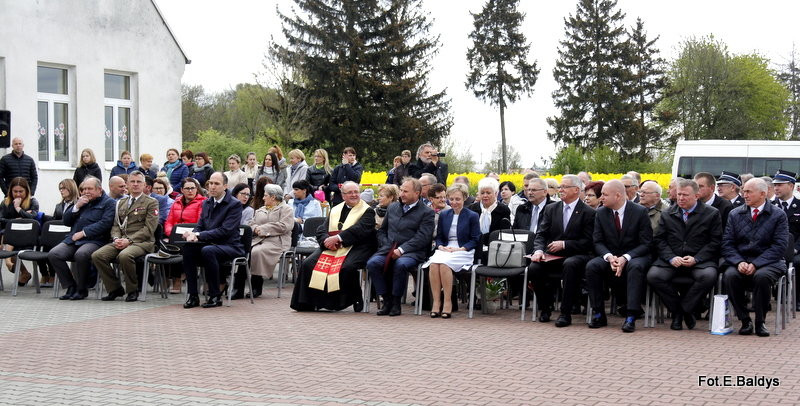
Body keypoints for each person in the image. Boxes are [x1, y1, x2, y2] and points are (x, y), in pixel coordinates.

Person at [647, 179, 722, 331]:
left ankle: (682, 311)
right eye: (679, 194)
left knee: (708, 276)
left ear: (697, 196)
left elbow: (715, 242)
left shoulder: (711, 214)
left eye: (685, 195)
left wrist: (697, 258)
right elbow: (659, 240)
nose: (681, 198)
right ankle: (679, 312)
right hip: (672, 259)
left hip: (700, 260)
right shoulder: (668, 213)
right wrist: (671, 257)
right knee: (654, 276)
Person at [291, 181, 376, 311]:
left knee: (345, 267)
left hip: (357, 246)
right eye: (350, 192)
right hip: (331, 247)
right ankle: (309, 303)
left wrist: (338, 238)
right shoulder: (336, 209)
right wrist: (326, 240)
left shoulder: (367, 211)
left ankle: (352, 299)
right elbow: (322, 228)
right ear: (343, 195)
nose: (354, 195)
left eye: (356, 192)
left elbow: (361, 229)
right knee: (308, 264)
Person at [722, 178, 788, 337]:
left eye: (748, 192)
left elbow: (779, 246)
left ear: (763, 194)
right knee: (730, 276)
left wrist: (756, 264)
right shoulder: (735, 214)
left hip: (769, 262)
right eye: (744, 191)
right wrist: (739, 262)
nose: (744, 195)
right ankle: (745, 320)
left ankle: (760, 321)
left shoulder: (778, 215)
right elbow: (727, 244)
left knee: (761, 277)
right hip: (741, 260)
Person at [528, 175, 596, 327]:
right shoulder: (551, 209)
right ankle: (545, 308)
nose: (560, 190)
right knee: (534, 267)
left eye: (564, 187)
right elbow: (541, 234)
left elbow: (588, 242)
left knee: (570, 265)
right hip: (553, 256)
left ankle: (565, 313)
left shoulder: (588, 212)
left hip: (577, 255)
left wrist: (565, 244)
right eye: (560, 187)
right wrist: (538, 251)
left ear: (576, 190)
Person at [585, 179, 653, 333]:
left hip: (634, 255)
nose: (601, 197)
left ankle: (631, 316)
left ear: (617, 196)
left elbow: (646, 243)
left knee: (635, 267)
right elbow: (597, 241)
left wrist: (625, 257)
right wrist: (609, 257)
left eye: (604, 194)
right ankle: (598, 313)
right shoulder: (601, 212)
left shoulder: (639, 212)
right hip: (611, 256)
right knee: (592, 266)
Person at [366, 178, 435, 316]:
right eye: (401, 190)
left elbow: (423, 237)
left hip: (412, 252)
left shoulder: (426, 212)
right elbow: (382, 231)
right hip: (389, 248)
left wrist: (402, 250)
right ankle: (387, 300)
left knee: (401, 264)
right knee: (372, 263)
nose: (401, 194)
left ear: (417, 193)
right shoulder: (392, 207)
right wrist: (387, 244)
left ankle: (396, 302)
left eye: (405, 191)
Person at [92, 172, 158, 302]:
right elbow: (116, 225)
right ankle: (115, 289)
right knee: (98, 255)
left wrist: (129, 240)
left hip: (142, 242)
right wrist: (116, 238)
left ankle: (132, 290)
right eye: (132, 181)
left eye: (139, 182)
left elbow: (149, 228)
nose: (135, 184)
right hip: (121, 240)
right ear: (127, 184)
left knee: (124, 255)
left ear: (144, 185)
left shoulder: (151, 202)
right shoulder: (121, 202)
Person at [181, 172, 245, 309]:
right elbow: (200, 225)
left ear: (225, 186)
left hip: (230, 245)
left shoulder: (234, 204)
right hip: (210, 243)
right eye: (210, 183)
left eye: (216, 184)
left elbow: (225, 231)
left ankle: (215, 296)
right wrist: (192, 235)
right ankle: (193, 295)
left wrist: (199, 235)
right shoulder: (206, 202)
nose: (212, 186)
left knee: (208, 250)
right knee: (188, 248)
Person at [49, 177, 115, 300]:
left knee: (81, 254)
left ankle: (82, 289)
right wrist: (76, 207)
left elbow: (105, 223)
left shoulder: (109, 203)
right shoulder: (82, 201)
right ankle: (70, 286)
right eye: (84, 189)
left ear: (99, 189)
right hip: (74, 240)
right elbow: (66, 221)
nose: (85, 192)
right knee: (54, 254)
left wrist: (84, 233)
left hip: (96, 240)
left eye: (89, 189)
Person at [425, 184, 481, 318]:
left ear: (464, 198)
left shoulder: (472, 215)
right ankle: (436, 302)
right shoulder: (445, 214)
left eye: (458, 199)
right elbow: (439, 237)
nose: (454, 202)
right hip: (446, 248)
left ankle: (448, 302)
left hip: (463, 250)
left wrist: (461, 248)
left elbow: (475, 239)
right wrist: (440, 246)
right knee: (434, 264)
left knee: (445, 265)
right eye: (451, 199)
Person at [238, 183, 294, 298]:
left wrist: (263, 229)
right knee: (242, 250)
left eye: (265, 195)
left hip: (277, 241)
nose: (263, 198)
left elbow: (284, 226)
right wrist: (255, 229)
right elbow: (251, 223)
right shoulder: (261, 210)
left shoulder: (286, 209)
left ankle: (256, 285)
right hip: (258, 240)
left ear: (273, 197)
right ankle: (238, 287)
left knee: (256, 252)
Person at [163, 177, 206, 293]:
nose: (190, 191)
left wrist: (189, 234)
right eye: (187, 188)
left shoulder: (203, 202)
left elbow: (200, 223)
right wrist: (171, 233)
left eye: (193, 188)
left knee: (182, 247)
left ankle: (177, 280)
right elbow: (169, 222)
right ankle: (170, 278)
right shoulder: (176, 202)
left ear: (197, 189)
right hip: (175, 235)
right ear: (182, 190)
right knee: (167, 247)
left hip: (192, 236)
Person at [0, 177, 40, 285]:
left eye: (21, 191)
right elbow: (1, 219)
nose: (18, 194)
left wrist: (18, 208)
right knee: (9, 232)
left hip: (27, 235)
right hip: (7, 234)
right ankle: (24, 273)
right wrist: (15, 220)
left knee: (10, 234)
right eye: (15, 191)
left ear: (26, 191)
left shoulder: (33, 202)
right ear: (10, 191)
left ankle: (8, 262)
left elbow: (32, 218)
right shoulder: (5, 202)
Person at [771, 170, 800, 310]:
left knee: (798, 263)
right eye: (775, 185)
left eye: (780, 185)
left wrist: (796, 248)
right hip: (772, 249)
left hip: (795, 249)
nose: (776, 188)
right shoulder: (769, 206)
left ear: (791, 186)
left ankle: (797, 299)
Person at [468, 177, 511, 265]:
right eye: (482, 193)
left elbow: (503, 233)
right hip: (474, 246)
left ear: (496, 193)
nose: (485, 195)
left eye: (488, 193)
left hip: (495, 248)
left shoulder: (503, 210)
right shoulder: (471, 209)